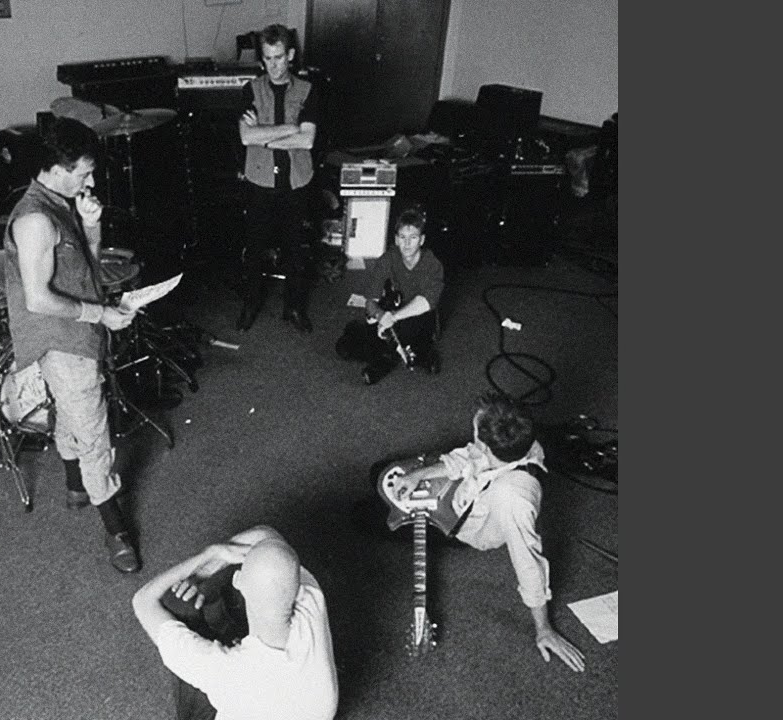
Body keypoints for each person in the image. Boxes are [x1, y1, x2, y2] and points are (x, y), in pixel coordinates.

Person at [2, 115, 142, 573]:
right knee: (93, 427)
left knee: (71, 409)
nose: (91, 181)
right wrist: (102, 314)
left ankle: (75, 486)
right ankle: (115, 529)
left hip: (75, 330)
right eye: (84, 172)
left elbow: (87, 271)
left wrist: (91, 226)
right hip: (60, 338)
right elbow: (38, 299)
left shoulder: (60, 205)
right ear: (57, 168)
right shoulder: (35, 220)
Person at [385, 394, 586, 671]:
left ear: (486, 447)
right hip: (468, 490)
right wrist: (419, 475)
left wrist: (544, 628)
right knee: (379, 473)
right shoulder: (521, 442)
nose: (472, 437)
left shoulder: (515, 501)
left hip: (464, 525)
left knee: (366, 515)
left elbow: (528, 562)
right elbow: (471, 457)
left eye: (476, 434)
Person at [132, 525, 338, 720]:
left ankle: (224, 628)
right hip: (303, 705)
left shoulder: (225, 672)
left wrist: (210, 556)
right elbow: (269, 539)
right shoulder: (311, 596)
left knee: (175, 600)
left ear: (237, 581)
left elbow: (143, 600)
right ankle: (229, 630)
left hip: (242, 688)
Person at [235, 24, 321, 334]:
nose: (273, 65)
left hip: (296, 180)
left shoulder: (308, 91)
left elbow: (307, 141)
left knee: (295, 249)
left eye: (279, 57)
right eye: (268, 58)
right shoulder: (250, 90)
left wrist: (265, 136)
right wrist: (289, 129)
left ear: (291, 55)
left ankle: (294, 308)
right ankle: (250, 305)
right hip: (260, 180)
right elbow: (246, 137)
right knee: (254, 247)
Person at [335, 206, 444, 384]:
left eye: (413, 237)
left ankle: (390, 358)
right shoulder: (388, 259)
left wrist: (392, 317)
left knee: (408, 333)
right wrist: (380, 316)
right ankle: (397, 352)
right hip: (392, 313)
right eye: (402, 237)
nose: (407, 243)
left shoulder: (432, 264)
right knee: (344, 348)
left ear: (422, 240)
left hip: (419, 317)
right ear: (396, 239)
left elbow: (426, 302)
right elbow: (371, 300)